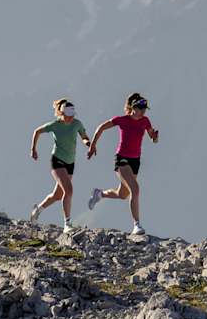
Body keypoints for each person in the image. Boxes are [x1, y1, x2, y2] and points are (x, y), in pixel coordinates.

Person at [86, 93, 158, 234]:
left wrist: (155, 137)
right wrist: (92, 146)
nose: (144, 111)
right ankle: (137, 225)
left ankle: (99, 194)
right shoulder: (122, 120)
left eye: (145, 108)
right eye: (141, 108)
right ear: (133, 107)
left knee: (122, 194)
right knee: (135, 189)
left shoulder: (145, 121)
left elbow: (153, 138)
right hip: (122, 159)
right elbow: (100, 128)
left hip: (135, 161)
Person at [29, 98, 91, 232]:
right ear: (61, 114)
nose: (70, 118)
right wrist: (33, 149)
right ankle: (67, 224)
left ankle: (37, 210)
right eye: (68, 116)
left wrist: (88, 143)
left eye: (72, 116)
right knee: (68, 190)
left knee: (57, 195)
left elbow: (84, 136)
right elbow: (37, 132)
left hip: (70, 162)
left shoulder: (77, 124)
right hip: (57, 161)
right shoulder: (55, 125)